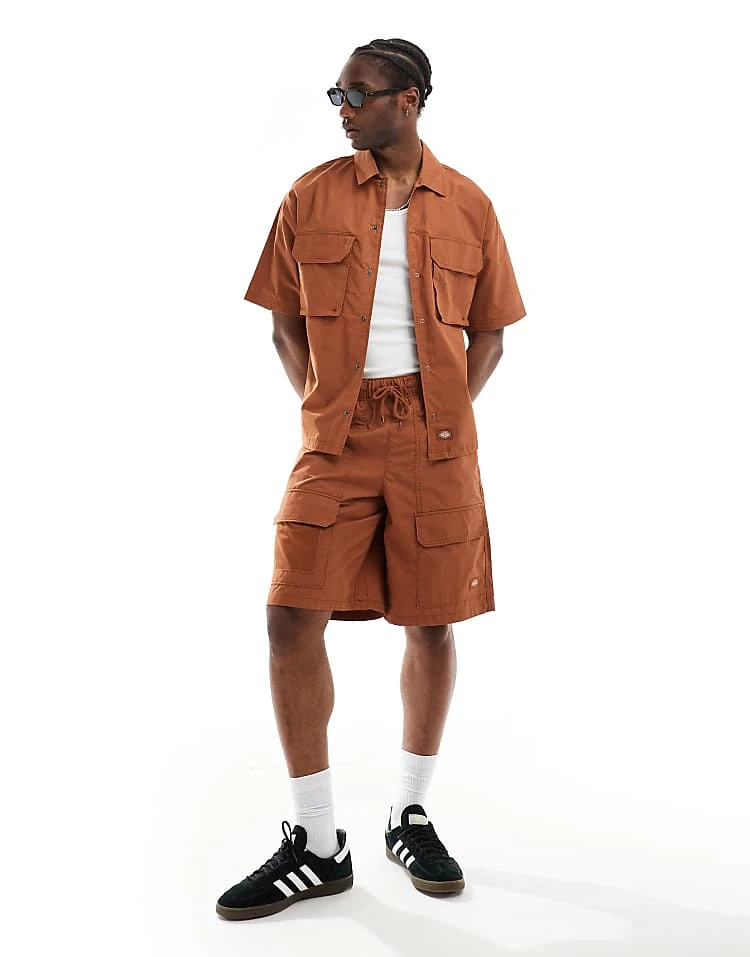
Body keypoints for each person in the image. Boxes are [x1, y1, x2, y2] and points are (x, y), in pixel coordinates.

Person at [216, 37, 526, 921]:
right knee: (289, 614)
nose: (342, 109)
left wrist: (443, 416)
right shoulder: (309, 195)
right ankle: (317, 843)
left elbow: (493, 332)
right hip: (336, 437)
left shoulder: (469, 204)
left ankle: (410, 813)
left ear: (409, 100)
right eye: (338, 94)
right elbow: (282, 322)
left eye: (358, 94)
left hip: (435, 440)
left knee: (432, 621)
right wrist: (326, 409)